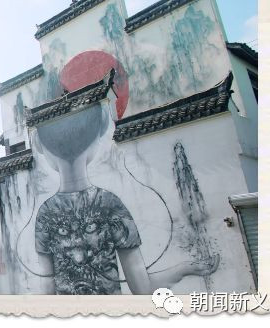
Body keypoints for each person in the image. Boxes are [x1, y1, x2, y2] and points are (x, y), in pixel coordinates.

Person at [32, 100, 218, 295]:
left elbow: (46, 288)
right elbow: (143, 288)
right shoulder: (109, 203)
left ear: (39, 145)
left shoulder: (46, 213)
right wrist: (183, 269)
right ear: (96, 139)